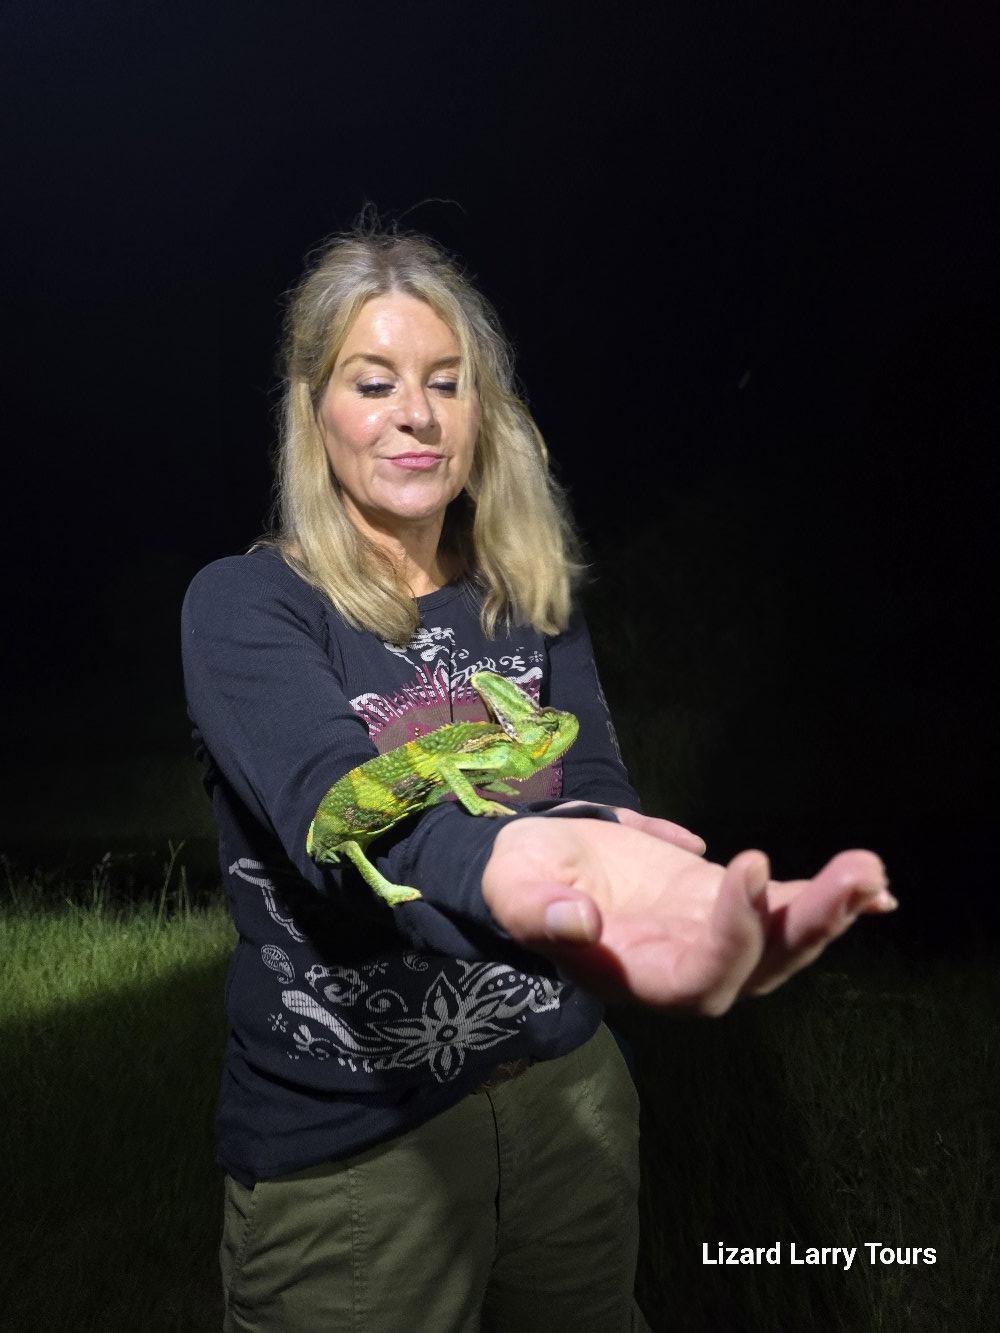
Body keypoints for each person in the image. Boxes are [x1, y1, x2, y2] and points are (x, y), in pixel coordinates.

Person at [181, 226, 894, 1332]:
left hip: (568, 1093)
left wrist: (625, 870)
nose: (415, 414)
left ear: (481, 410)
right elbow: (344, 827)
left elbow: (591, 777)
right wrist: (520, 861)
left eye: (446, 382)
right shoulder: (244, 606)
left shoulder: (528, 595)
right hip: (356, 1144)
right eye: (373, 384)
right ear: (315, 411)